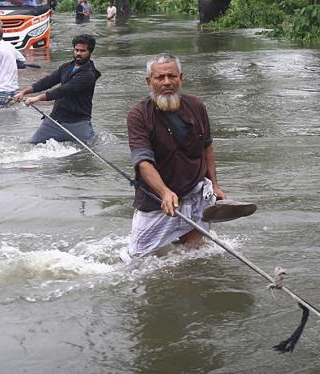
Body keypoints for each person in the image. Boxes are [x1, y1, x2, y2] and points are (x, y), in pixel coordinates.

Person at [125, 53, 228, 258]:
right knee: (137, 261)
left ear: (181, 78)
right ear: (149, 82)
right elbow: (143, 162)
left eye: (172, 76)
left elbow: (207, 147)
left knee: (194, 254)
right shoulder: (138, 115)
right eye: (159, 78)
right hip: (157, 200)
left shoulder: (197, 106)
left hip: (194, 191)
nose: (166, 82)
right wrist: (164, 192)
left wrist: (215, 186)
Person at [14, 34, 100, 144]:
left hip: (78, 123)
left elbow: (63, 90)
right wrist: (23, 92)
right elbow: (47, 81)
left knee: (87, 151)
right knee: (30, 145)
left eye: (82, 51)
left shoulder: (89, 75)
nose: (78, 53)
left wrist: (37, 98)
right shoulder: (66, 67)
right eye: (76, 50)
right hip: (55, 121)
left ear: (90, 52)